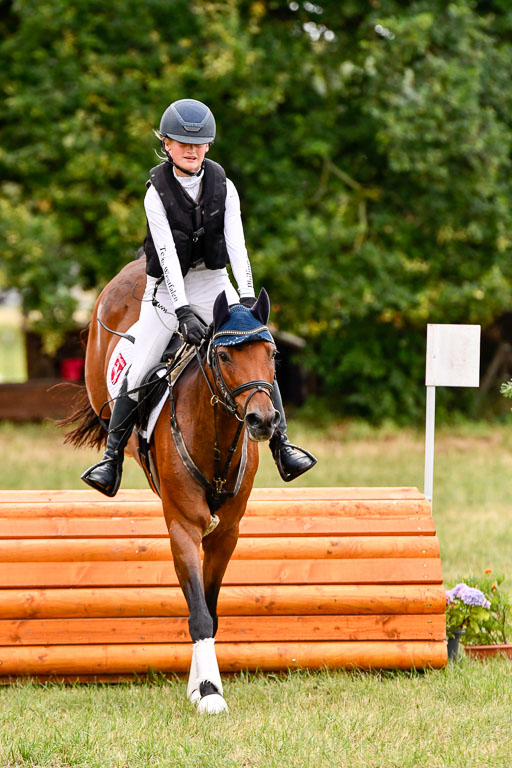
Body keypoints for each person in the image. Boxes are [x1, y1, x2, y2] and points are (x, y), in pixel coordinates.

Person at [82, 98, 317, 497]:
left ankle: (282, 446)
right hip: (165, 291)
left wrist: (244, 298)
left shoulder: (224, 186)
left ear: (207, 146)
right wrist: (182, 310)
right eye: (182, 143)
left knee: (257, 347)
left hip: (214, 283)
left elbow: (237, 246)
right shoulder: (155, 193)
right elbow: (169, 260)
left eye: (200, 143)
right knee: (138, 369)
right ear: (166, 144)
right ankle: (112, 458)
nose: (192, 150)